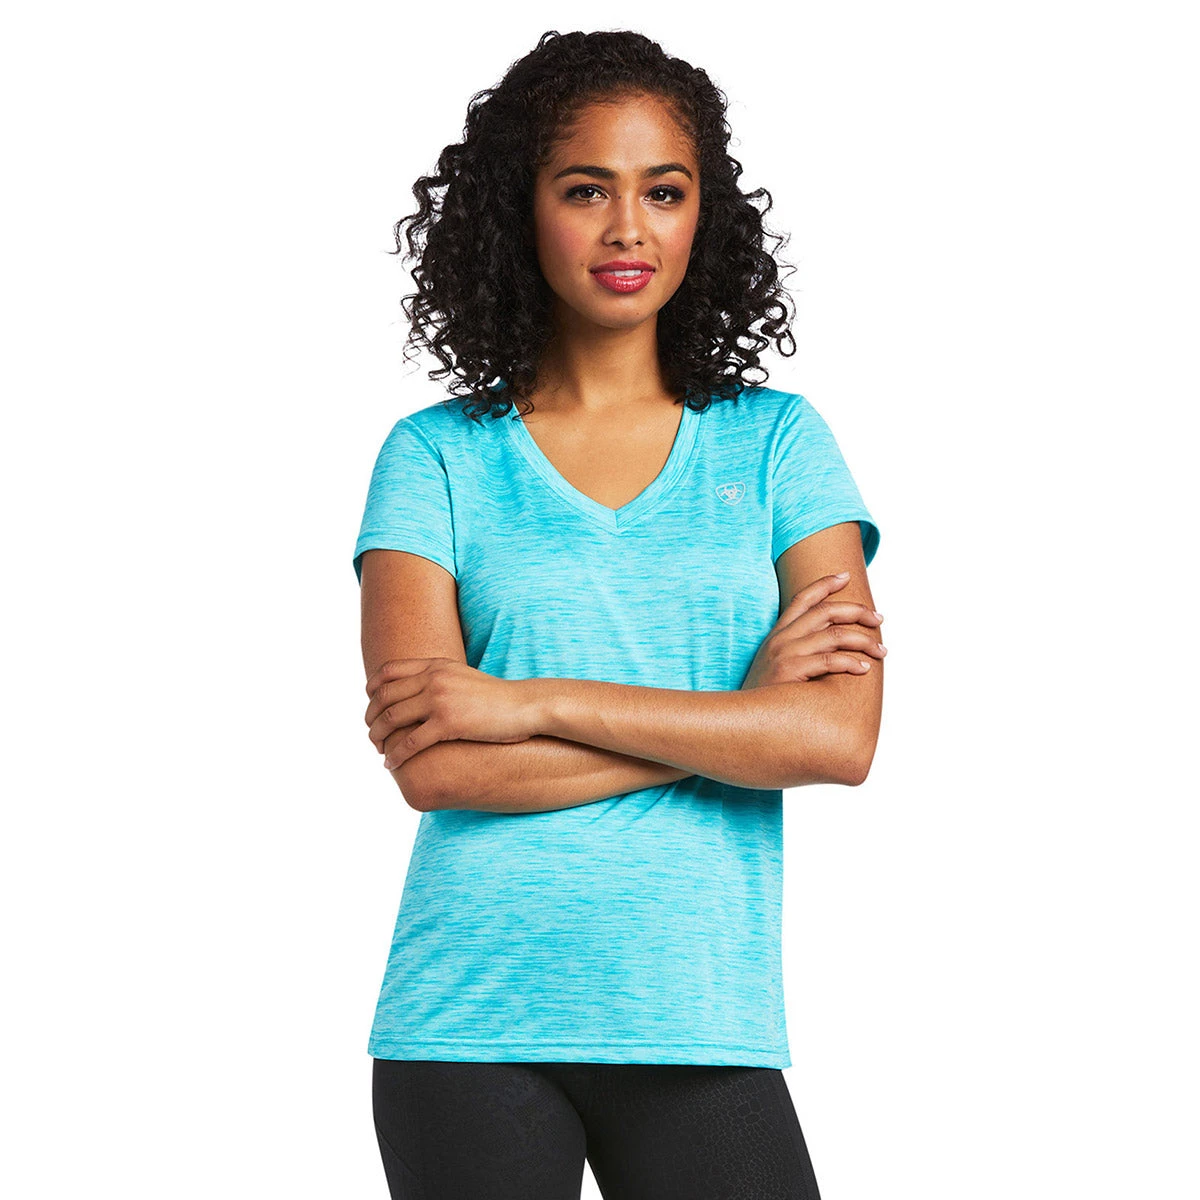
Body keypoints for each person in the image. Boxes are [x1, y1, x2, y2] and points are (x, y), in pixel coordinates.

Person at [352, 29, 885, 1200]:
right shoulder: (432, 459)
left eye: (665, 191)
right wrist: (737, 724)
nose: (628, 228)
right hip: (469, 1021)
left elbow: (836, 737)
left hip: (702, 1018)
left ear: (705, 216)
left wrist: (527, 704)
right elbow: (436, 767)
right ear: (521, 208)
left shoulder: (779, 445)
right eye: (586, 189)